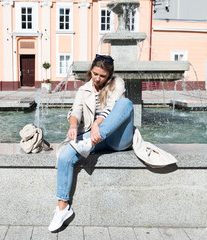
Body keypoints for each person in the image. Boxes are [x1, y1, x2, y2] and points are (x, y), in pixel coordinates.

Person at [48, 54, 134, 232]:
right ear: (90, 71)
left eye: (102, 76)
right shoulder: (84, 90)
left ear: (109, 76)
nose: (98, 78)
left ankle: (88, 143)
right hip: (93, 139)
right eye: (95, 74)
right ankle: (63, 208)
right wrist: (73, 126)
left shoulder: (117, 83)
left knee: (126, 103)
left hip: (118, 138)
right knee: (65, 156)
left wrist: (96, 125)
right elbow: (75, 112)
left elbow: (112, 107)